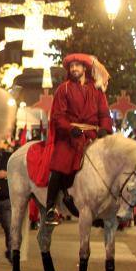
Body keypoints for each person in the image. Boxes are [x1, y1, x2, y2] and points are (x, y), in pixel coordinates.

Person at [44, 53, 112, 225]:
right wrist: (69, 128)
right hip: (70, 136)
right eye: (71, 66)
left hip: (93, 135)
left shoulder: (97, 90)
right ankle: (50, 208)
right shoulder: (63, 89)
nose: (74, 68)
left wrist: (104, 129)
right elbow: (58, 116)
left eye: (77, 65)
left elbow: (104, 114)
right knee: (59, 164)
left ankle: (107, 206)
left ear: (84, 68)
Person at [0, 139, 14, 262]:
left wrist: (7, 173)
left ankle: (10, 252)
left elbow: (16, 172)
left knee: (9, 227)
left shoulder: (8, 156)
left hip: (5, 197)